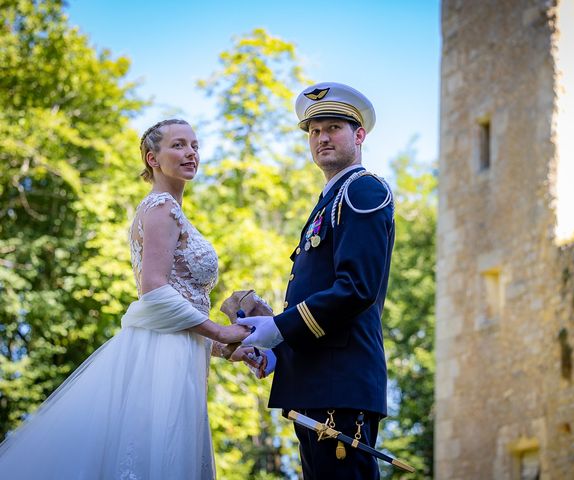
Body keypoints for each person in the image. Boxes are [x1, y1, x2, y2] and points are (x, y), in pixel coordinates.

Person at [0, 119, 256, 479]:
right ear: (153, 158)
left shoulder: (171, 211)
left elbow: (178, 307)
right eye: (179, 145)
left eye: (195, 146)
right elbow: (154, 291)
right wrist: (221, 332)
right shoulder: (161, 207)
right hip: (162, 358)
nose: (191, 153)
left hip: (182, 352)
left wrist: (228, 349)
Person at [239, 82, 395, 479]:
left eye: (333, 128)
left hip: (340, 385)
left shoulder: (362, 190)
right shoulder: (332, 197)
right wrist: (279, 351)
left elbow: (356, 288)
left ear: (359, 135)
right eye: (314, 130)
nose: (322, 137)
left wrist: (278, 327)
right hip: (318, 384)